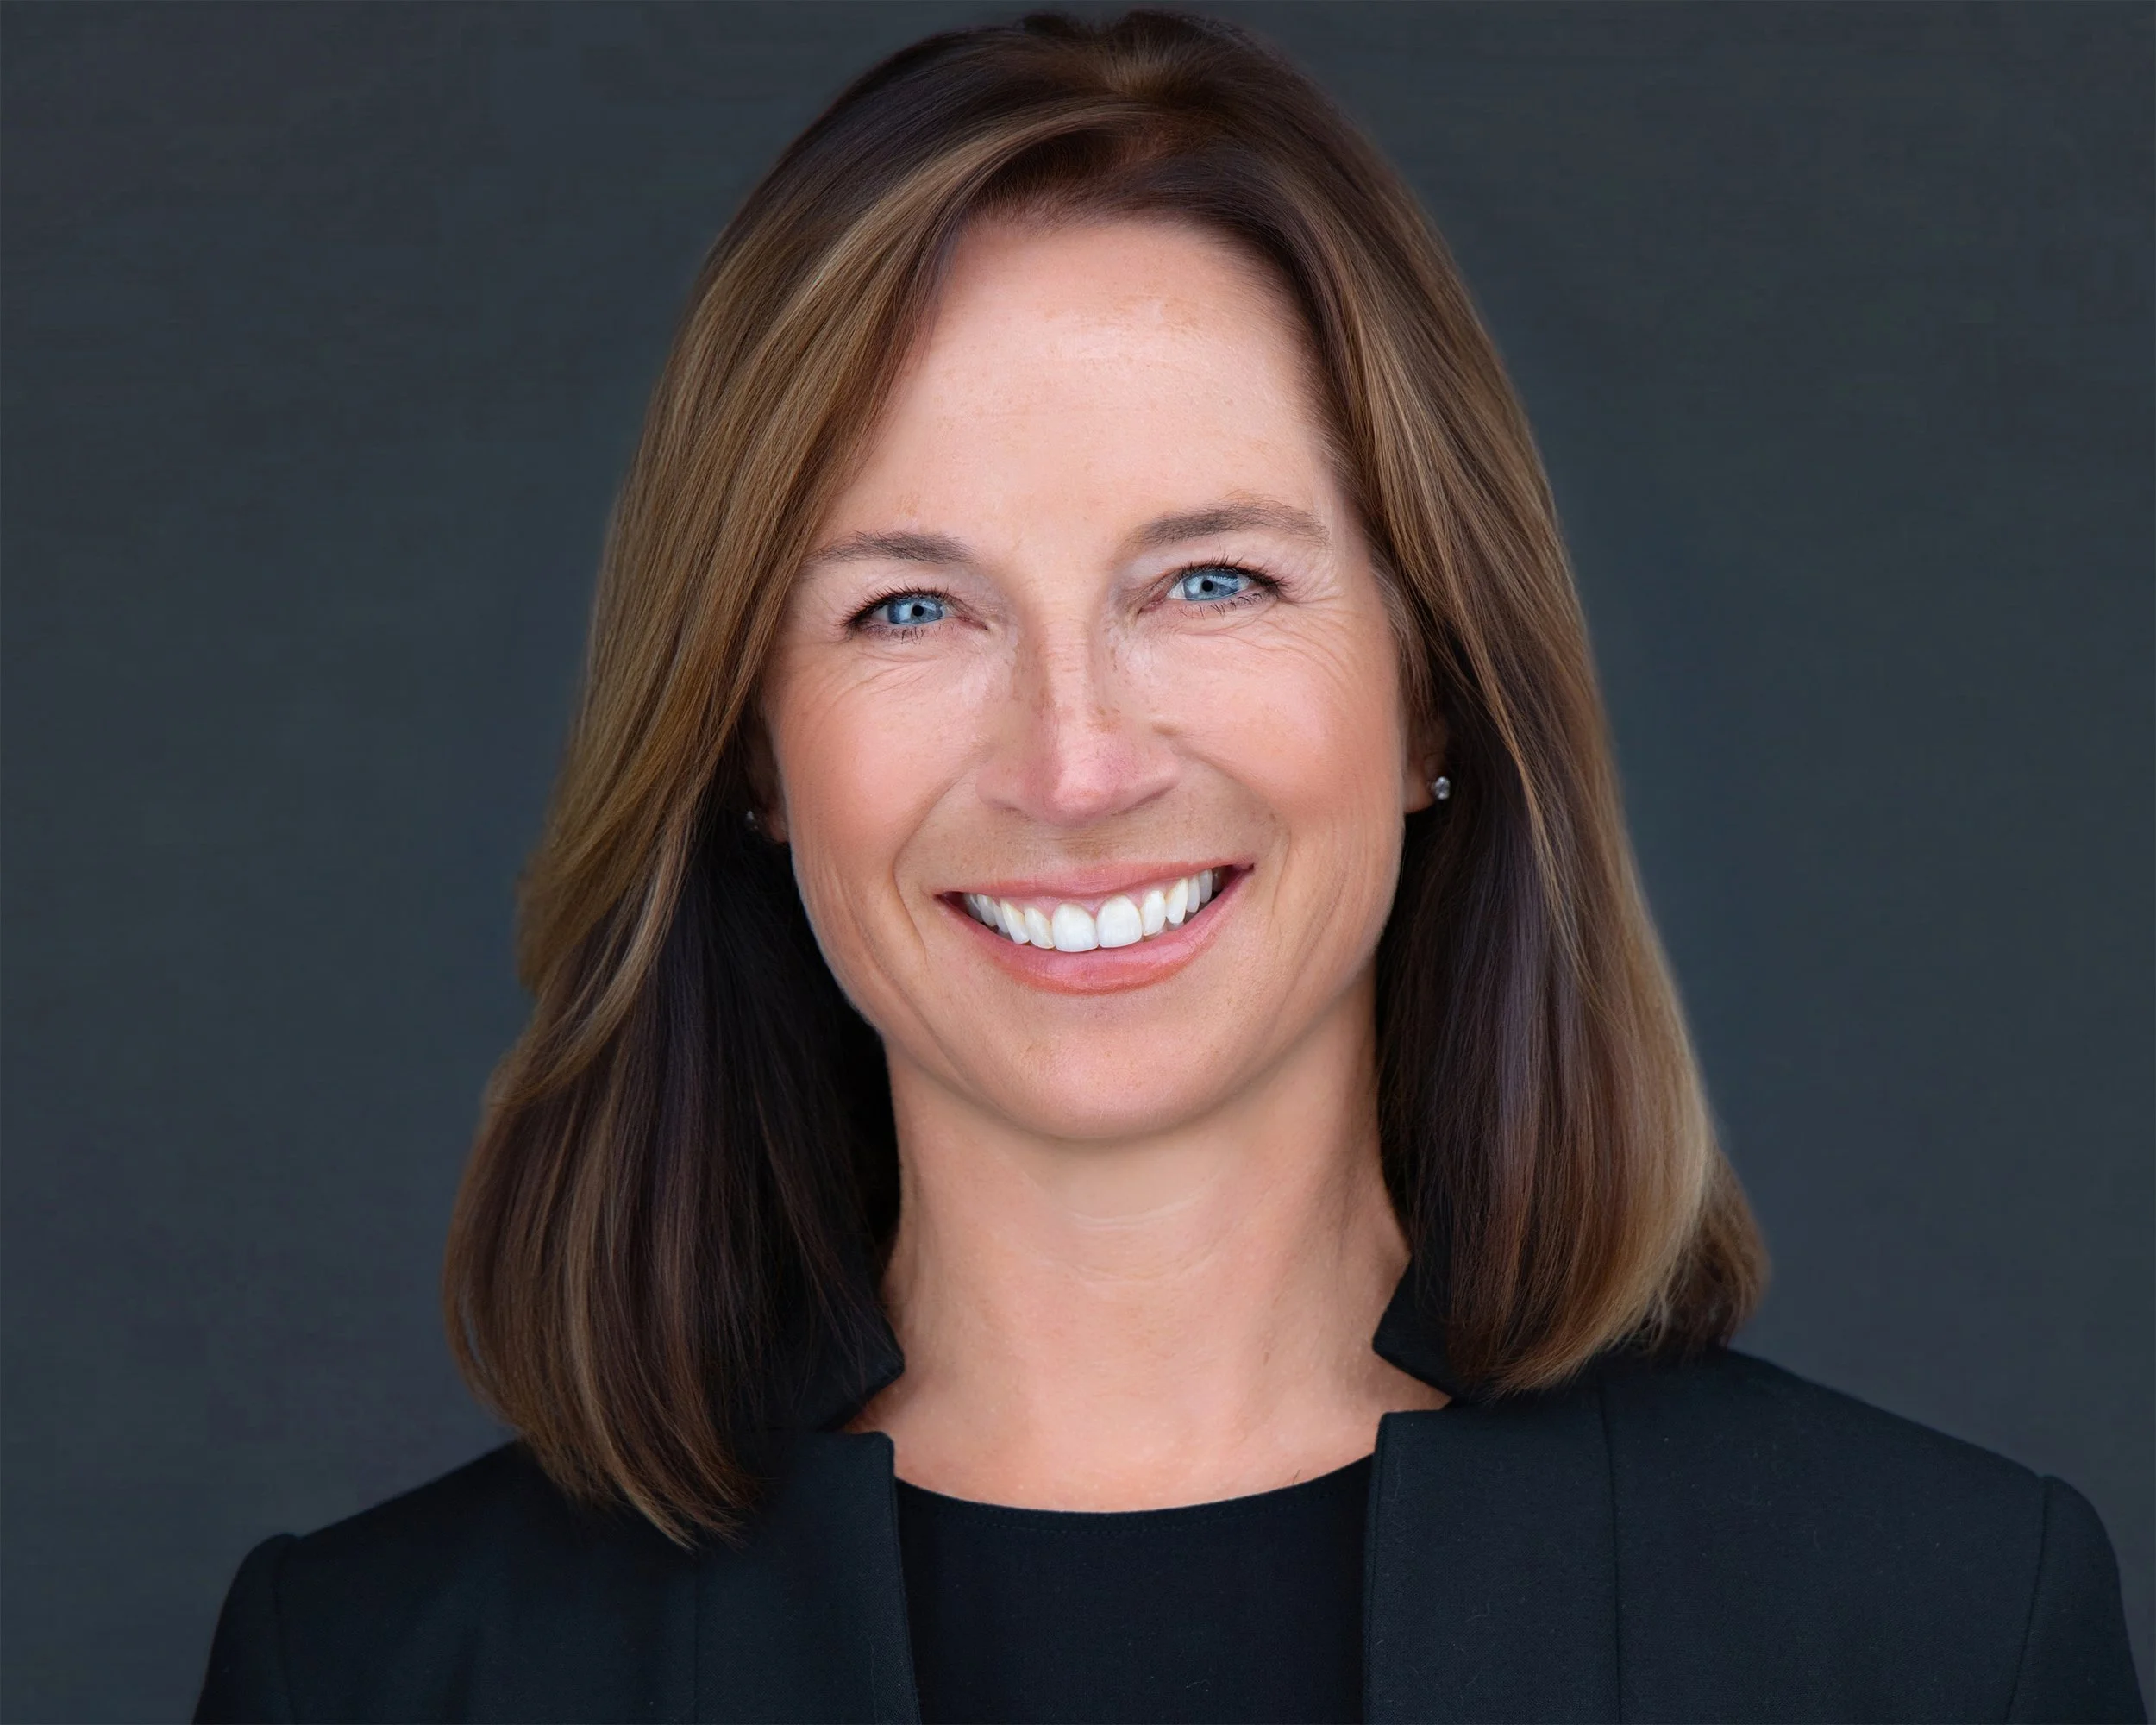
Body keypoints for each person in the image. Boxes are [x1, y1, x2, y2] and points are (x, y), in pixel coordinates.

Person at [193, 11, 2143, 1722]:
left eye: (1209, 581)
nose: (1075, 764)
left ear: (1435, 691)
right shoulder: (376, 1674)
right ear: (751, 751)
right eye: (908, 609)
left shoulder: (1936, 1636)